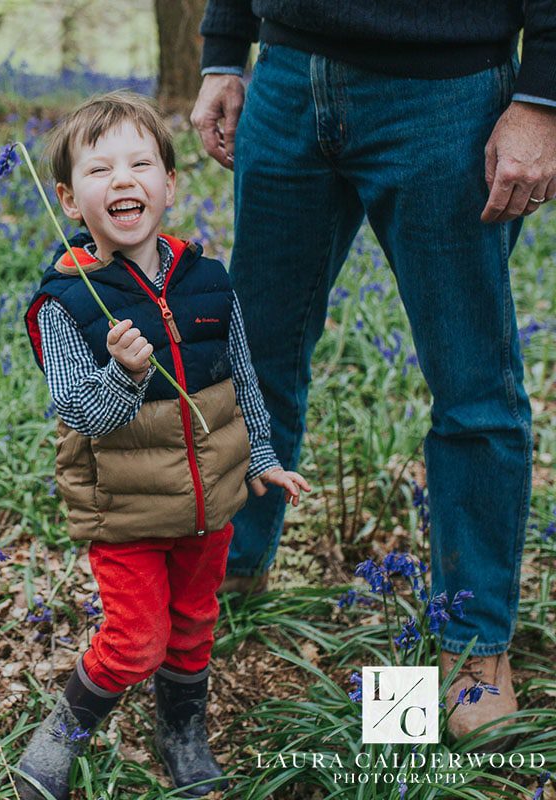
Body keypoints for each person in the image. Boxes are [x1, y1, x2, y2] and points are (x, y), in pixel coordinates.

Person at [190, 0, 556, 747]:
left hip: (445, 94)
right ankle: (230, 570)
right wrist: (225, 49)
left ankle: (475, 644)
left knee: (472, 388)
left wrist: (543, 95)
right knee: (253, 355)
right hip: (287, 79)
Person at [15, 90, 310, 799]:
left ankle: (181, 731)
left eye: (141, 163)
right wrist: (123, 372)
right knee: (135, 639)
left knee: (193, 624)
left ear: (169, 185)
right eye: (100, 170)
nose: (123, 179)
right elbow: (78, 410)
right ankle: (61, 734)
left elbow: (243, 373)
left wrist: (262, 455)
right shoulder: (64, 303)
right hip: (126, 510)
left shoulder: (209, 280)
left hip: (208, 502)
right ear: (68, 199)